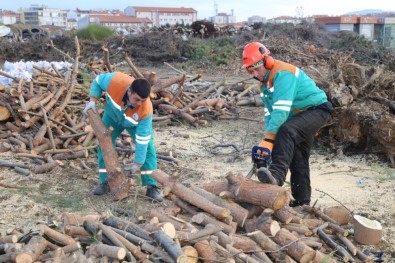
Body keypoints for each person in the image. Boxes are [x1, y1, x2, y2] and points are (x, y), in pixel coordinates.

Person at [241, 42, 333, 207]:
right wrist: (267, 140)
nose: (255, 73)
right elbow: (270, 113)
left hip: (317, 110)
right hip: (299, 116)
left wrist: (270, 140)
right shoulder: (265, 84)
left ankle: (276, 175)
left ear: (267, 61)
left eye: (256, 68)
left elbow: (281, 111)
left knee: (286, 131)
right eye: (250, 70)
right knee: (298, 158)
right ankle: (302, 201)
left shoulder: (283, 74)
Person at [82, 72, 163, 202]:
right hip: (112, 116)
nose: (140, 104)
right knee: (104, 144)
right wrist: (92, 100)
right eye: (137, 99)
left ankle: (151, 185)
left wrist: (138, 162)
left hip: (133, 124)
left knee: (148, 148)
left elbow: (143, 139)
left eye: (143, 100)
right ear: (129, 92)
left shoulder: (146, 109)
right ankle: (106, 181)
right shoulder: (115, 81)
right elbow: (97, 81)